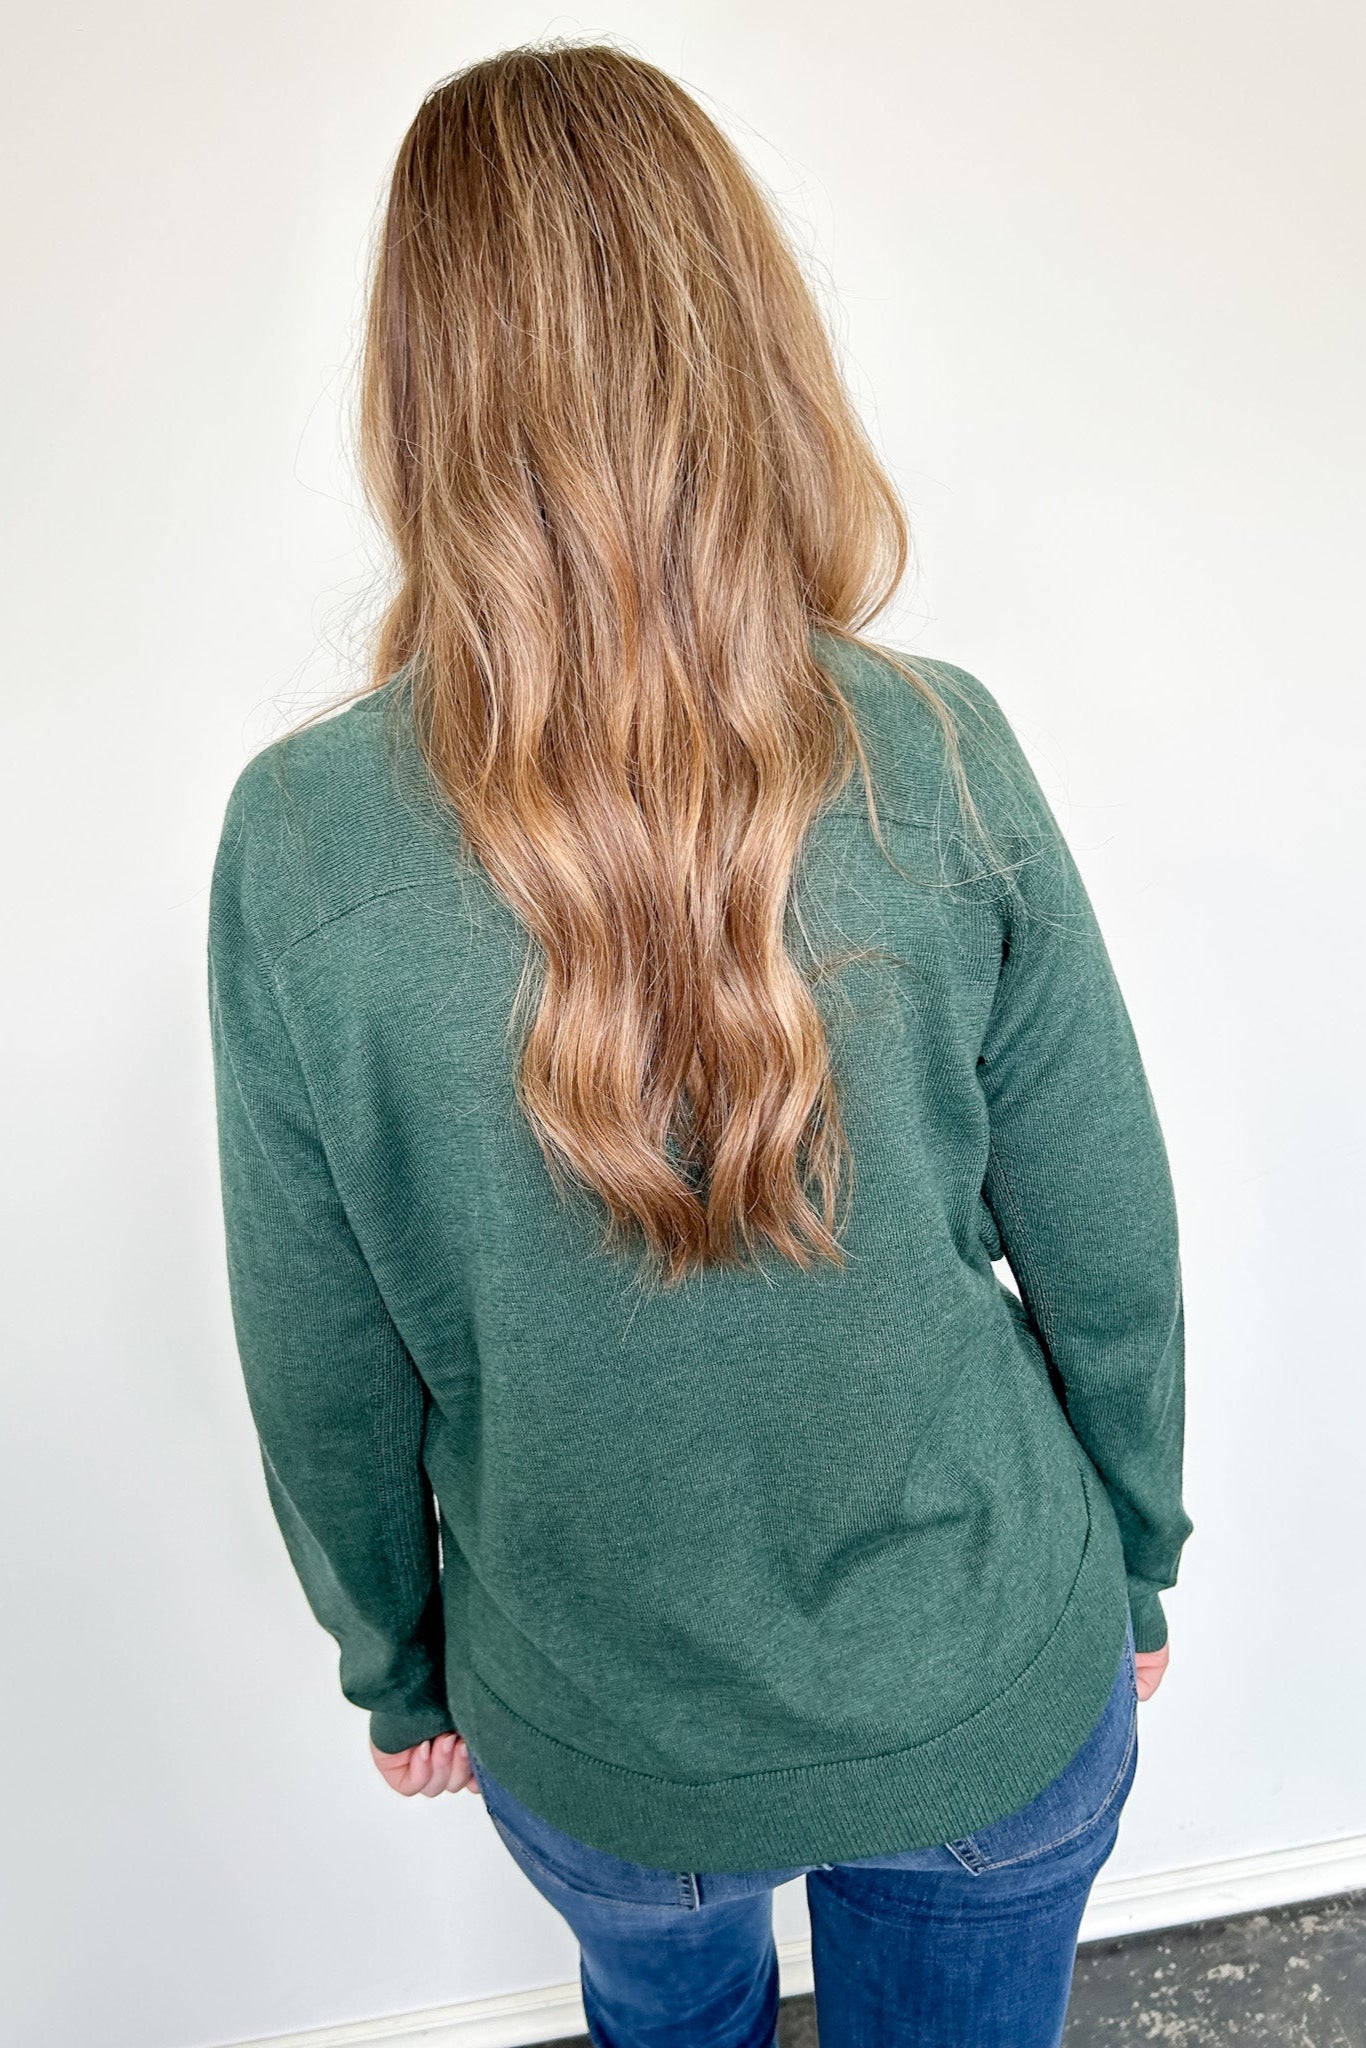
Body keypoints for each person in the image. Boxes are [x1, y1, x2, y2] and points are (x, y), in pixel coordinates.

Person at [207, 39, 1193, 2048]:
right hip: (983, 1666)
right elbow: (1103, 1231)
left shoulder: (301, 840)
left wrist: (395, 1664)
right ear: (747, 337)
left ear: (424, 393)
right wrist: (1138, 1553)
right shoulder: (931, 753)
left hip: (600, 1727)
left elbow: (317, 1350)